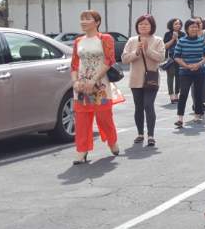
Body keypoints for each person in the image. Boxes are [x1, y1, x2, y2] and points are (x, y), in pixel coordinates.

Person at [69, 10, 119, 164]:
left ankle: (112, 140)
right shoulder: (78, 41)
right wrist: (75, 82)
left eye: (87, 19)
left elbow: (109, 61)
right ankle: (81, 150)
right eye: (82, 19)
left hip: (100, 85)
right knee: (82, 119)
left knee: (104, 117)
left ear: (97, 22)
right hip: (82, 86)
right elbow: (74, 64)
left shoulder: (105, 38)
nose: (83, 22)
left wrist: (94, 80)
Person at [121, 14, 165, 146]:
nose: (143, 26)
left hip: (151, 79)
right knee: (138, 107)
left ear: (152, 26)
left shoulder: (158, 40)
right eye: (140, 24)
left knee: (148, 105)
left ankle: (151, 135)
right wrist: (136, 52)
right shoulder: (132, 40)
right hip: (136, 79)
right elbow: (124, 59)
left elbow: (161, 58)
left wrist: (147, 49)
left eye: (146, 24)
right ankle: (140, 133)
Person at [173, 18, 205, 128]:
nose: (194, 29)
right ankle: (180, 118)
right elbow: (176, 56)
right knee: (183, 94)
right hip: (185, 72)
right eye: (192, 27)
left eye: (196, 27)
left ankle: (197, 114)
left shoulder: (201, 41)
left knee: (198, 93)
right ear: (186, 29)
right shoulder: (181, 41)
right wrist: (186, 66)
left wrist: (199, 64)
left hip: (200, 71)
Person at [163, 18, 185, 103]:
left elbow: (183, 46)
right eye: (175, 24)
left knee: (179, 77)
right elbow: (165, 46)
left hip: (180, 58)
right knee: (170, 77)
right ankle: (171, 95)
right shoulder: (167, 34)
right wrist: (172, 39)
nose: (178, 25)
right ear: (171, 25)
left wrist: (177, 39)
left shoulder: (183, 34)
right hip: (171, 58)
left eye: (179, 24)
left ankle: (176, 94)